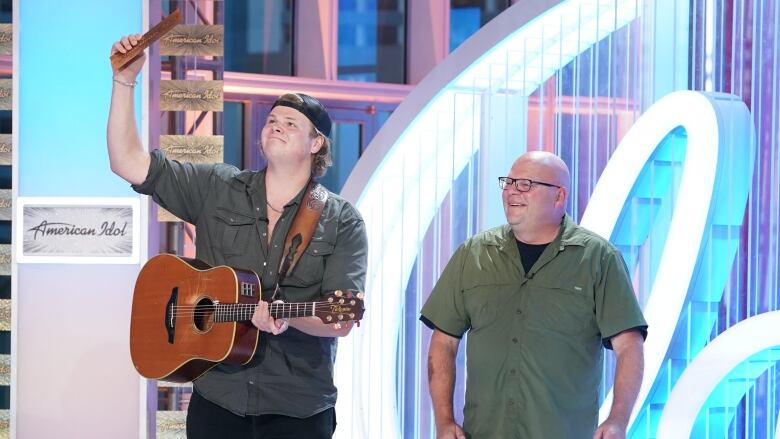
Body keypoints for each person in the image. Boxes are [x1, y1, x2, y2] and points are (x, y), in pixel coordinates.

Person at [108, 34, 368, 439]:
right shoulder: (218, 186)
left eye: (291, 124)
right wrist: (124, 83)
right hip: (217, 400)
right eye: (272, 121)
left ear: (316, 144)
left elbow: (339, 321)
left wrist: (285, 314)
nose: (276, 126)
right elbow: (128, 162)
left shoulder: (341, 219)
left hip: (297, 409)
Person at [420, 151, 647, 439]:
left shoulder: (599, 259)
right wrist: (444, 421)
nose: (512, 190)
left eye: (526, 184)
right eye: (509, 182)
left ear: (559, 197)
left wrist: (617, 420)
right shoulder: (472, 255)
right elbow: (443, 343)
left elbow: (629, 347)